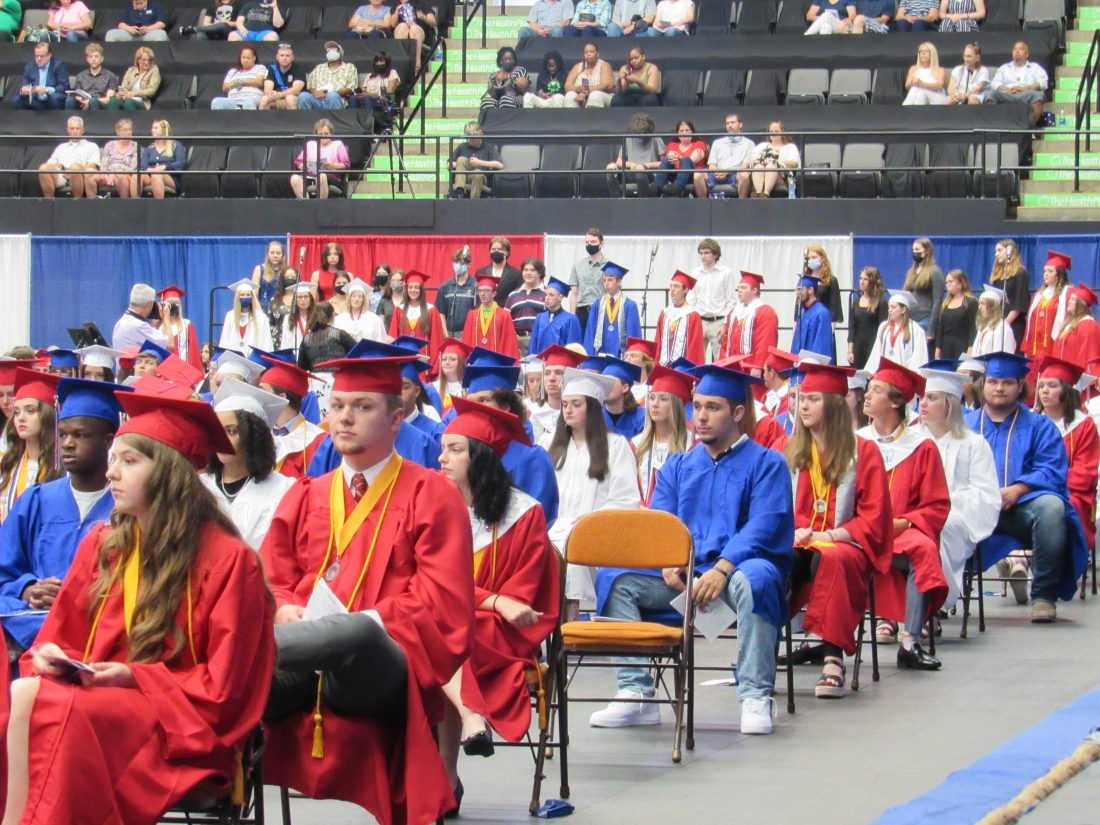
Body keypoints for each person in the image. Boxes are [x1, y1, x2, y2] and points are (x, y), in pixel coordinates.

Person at [3, 390, 274, 824]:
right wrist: (50, 657)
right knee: (24, 698)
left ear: (170, 475)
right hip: (97, 705)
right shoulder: (102, 546)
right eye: (113, 459)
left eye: (129, 462)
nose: (111, 473)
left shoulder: (228, 561)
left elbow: (226, 689)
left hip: (177, 728)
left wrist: (133, 677)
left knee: (61, 714)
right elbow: (58, 637)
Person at [259, 354, 472, 824]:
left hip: (380, 666)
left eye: (362, 406)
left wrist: (356, 624)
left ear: (396, 418)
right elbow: (273, 577)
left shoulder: (431, 496)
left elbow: (441, 601)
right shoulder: (306, 494)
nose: (345, 418)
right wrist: (285, 609)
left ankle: (236, 653)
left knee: (355, 634)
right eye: (336, 405)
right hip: (299, 667)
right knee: (253, 656)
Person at [591, 363, 792, 732]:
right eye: (697, 406)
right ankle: (636, 692)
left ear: (738, 412)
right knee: (616, 578)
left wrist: (723, 567)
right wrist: (669, 560)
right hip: (683, 575)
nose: (700, 416)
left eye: (713, 407)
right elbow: (662, 522)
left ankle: (754, 694)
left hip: (736, 575)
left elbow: (765, 525)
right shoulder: (679, 466)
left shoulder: (767, 464)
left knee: (759, 579)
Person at [435, 399, 560, 795]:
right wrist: (492, 599)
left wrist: (487, 605)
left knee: (441, 639)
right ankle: (458, 748)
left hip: (502, 634)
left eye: (455, 450)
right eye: (443, 447)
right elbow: (424, 583)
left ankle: (444, 779)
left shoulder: (524, 515)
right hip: (453, 620)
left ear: (482, 457)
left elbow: (521, 601)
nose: (442, 457)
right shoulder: (431, 507)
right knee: (432, 634)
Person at [785, 362, 891, 698]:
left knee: (833, 560)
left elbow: (873, 517)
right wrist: (795, 532)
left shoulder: (864, 452)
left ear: (832, 404)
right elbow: (776, 508)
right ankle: (758, 647)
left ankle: (833, 658)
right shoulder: (789, 452)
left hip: (844, 543)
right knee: (770, 564)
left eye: (813, 399)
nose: (803, 406)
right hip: (800, 541)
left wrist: (828, 536)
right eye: (802, 398)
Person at [0, 379, 122, 655]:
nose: (67, 443)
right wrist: (27, 588)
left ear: (108, 441)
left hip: (98, 645)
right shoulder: (37, 500)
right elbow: (5, 568)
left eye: (79, 435)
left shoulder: (124, 507)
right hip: (32, 641)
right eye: (63, 434)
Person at [966, 352, 1089, 621]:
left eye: (1008, 382)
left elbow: (1051, 469)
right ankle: (941, 593)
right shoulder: (966, 425)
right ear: (983, 384)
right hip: (973, 507)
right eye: (994, 381)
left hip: (1019, 508)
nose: (999, 388)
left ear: (1021, 386)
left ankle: (1044, 596)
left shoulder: (1039, 426)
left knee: (1053, 508)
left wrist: (1018, 489)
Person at [859, 359, 949, 669]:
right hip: (857, 533)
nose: (867, 396)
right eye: (868, 389)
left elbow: (936, 504)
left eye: (877, 390)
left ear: (896, 401)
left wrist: (903, 522)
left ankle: (910, 641)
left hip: (900, 534)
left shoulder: (921, 446)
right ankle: (827, 643)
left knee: (923, 550)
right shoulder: (856, 442)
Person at [539, 368, 639, 604]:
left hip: (594, 534)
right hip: (554, 532)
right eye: (565, 404)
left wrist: (591, 520)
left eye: (576, 404)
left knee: (576, 558)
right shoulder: (548, 445)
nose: (568, 410)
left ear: (592, 408)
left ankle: (576, 625)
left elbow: (625, 499)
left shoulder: (615, 446)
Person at [914, 365, 1000, 610]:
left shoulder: (973, 444)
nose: (923, 404)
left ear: (950, 404)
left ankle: (931, 604)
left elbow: (985, 494)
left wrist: (943, 504)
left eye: (932, 398)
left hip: (957, 516)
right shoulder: (913, 442)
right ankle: (908, 607)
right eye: (923, 398)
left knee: (938, 528)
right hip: (915, 514)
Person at [203, 378, 295, 549]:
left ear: (253, 436)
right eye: (217, 430)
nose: (221, 439)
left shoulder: (283, 489)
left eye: (231, 431)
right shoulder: (199, 486)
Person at [1034, 355, 1098, 554]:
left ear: (1067, 391)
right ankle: (1019, 558)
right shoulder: (1031, 422)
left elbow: (1085, 475)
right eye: (1042, 385)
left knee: (1060, 508)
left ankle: (1037, 564)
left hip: (1072, 494)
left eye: (1052, 385)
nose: (1044, 391)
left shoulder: (1083, 426)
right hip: (1032, 490)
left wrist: (1045, 482)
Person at [1, 370, 63, 524]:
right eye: (16, 412)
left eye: (30, 411)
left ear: (48, 415)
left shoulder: (63, 469)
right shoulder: (7, 463)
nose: (20, 418)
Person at [632, 364, 692, 503]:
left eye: (663, 399)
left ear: (677, 405)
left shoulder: (692, 445)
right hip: (641, 517)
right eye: (652, 398)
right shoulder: (636, 444)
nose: (655, 404)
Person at [686, 238, 735, 362]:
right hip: (700, 320)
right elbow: (692, 299)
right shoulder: (695, 273)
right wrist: (690, 320)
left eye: (707, 253)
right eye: (701, 253)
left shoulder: (726, 273)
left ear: (715, 254)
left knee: (720, 360)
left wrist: (725, 324)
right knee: (695, 358)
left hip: (718, 320)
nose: (703, 256)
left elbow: (731, 300)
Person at [1022, 250, 1071, 370]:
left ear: (1059, 274)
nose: (1045, 274)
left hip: (1052, 346)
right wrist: (1026, 347)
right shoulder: (1038, 295)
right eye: (1044, 271)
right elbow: (1029, 324)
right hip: (1034, 348)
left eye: (1050, 271)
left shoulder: (1066, 295)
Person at [583, 261, 642, 358]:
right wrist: (589, 358)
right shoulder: (597, 304)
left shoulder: (629, 305)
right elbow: (590, 333)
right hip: (600, 355)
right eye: (604, 280)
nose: (606, 284)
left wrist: (631, 358)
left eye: (610, 280)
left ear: (619, 282)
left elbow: (633, 335)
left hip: (621, 356)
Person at [721, 271, 778, 368]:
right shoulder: (734, 312)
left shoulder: (765, 312)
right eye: (738, 288)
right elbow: (725, 342)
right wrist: (722, 363)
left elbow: (765, 343)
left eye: (743, 287)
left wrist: (758, 366)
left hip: (750, 368)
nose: (739, 290)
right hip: (731, 367)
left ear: (754, 290)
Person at [864, 290, 930, 374]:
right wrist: (871, 371)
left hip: (904, 376)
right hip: (886, 375)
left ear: (903, 310)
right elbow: (876, 352)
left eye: (893, 307)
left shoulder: (915, 329)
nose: (889, 310)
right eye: (889, 307)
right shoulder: (884, 327)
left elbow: (919, 355)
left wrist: (912, 375)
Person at [36, 116, 100, 200]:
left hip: (80, 174)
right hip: (62, 175)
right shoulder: (61, 147)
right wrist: (58, 166)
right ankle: (49, 203)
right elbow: (51, 163)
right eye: (72, 128)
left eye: (77, 128)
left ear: (83, 130)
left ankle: (77, 202)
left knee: (75, 168)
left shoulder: (91, 146)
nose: (75, 131)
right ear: (68, 130)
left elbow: (94, 165)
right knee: (43, 168)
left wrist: (74, 170)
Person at [694, 112, 754, 199]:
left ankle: (742, 205)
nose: (730, 125)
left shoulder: (749, 143)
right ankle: (703, 205)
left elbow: (744, 166)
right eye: (727, 123)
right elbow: (712, 165)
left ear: (740, 124)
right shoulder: (717, 142)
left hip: (735, 174)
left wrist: (727, 171)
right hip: (716, 174)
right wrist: (718, 172)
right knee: (697, 174)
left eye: (733, 122)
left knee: (744, 175)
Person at [605, 111, 664, 197]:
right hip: (631, 173)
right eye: (637, 134)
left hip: (649, 174)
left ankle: (644, 200)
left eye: (642, 134)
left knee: (639, 171)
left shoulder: (656, 139)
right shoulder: (629, 139)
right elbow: (619, 161)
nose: (639, 137)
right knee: (611, 168)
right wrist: (632, 164)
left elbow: (664, 162)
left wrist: (646, 165)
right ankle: (616, 199)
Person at [389, 270, 445, 360]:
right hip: (404, 359)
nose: (413, 290)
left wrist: (434, 365)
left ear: (421, 290)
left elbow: (436, 340)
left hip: (425, 360)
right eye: (410, 287)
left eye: (416, 287)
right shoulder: (399, 310)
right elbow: (393, 336)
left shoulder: (431, 310)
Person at [991, 40, 1048, 126]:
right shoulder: (1004, 68)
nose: (1017, 51)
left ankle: (1029, 128)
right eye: (1014, 49)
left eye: (1021, 49)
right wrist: (1007, 89)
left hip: (1026, 94)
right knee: (990, 95)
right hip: (1008, 94)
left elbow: (1043, 83)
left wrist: (1025, 88)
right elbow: (994, 83)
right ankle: (995, 126)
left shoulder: (1035, 67)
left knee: (1039, 96)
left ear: (1027, 54)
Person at [462, 274, 520, 359]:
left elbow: (508, 343)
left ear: (494, 294)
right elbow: (467, 341)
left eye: (486, 291)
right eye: (480, 291)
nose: (482, 294)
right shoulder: (472, 314)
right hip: (476, 363)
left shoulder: (504, 315)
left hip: (496, 363)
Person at [290, 118, 350, 199]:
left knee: (321, 176)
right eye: (320, 134)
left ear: (331, 133)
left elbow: (346, 164)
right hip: (310, 175)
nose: (323, 136)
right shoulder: (310, 144)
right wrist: (303, 166)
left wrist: (331, 165)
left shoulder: (338, 144)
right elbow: (298, 162)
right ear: (316, 134)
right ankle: (306, 205)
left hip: (330, 176)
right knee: (294, 178)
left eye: (326, 133)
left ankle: (320, 206)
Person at [655, 270, 704, 366]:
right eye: (671, 286)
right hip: (663, 365)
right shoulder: (664, 314)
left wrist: (689, 369)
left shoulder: (692, 315)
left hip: (682, 368)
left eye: (676, 286)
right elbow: (658, 341)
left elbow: (694, 347)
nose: (672, 289)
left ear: (685, 290)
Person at [989, 238, 1029, 350]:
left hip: (1013, 323)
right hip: (998, 322)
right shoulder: (998, 274)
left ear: (1009, 251)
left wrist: (1005, 323)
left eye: (999, 250)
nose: (996, 254)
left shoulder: (1020, 272)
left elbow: (1020, 302)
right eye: (995, 251)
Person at [904, 237, 944, 343]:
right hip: (910, 319)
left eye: (917, 250)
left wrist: (931, 330)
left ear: (927, 251)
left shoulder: (935, 272)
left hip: (925, 319)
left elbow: (937, 302)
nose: (914, 252)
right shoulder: (910, 271)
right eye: (913, 250)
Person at [111, 283, 169, 357]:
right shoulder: (138, 325)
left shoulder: (122, 321)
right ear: (149, 304)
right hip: (133, 367)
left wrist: (155, 326)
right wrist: (166, 317)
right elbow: (169, 345)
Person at [449, 121, 503, 199]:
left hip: (482, 177)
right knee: (461, 159)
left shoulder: (489, 148)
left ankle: (473, 202)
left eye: (473, 138)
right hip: (463, 176)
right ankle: (459, 192)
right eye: (468, 138)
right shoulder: (462, 147)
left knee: (477, 173)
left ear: (480, 135)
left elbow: (499, 165)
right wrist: (466, 163)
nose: (470, 141)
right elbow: (448, 164)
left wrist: (479, 163)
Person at [746, 121, 801, 198]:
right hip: (760, 173)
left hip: (781, 176)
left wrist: (775, 162)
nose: (773, 133)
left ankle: (765, 194)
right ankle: (758, 194)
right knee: (758, 165)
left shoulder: (790, 147)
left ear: (783, 132)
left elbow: (794, 163)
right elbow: (751, 161)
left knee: (771, 165)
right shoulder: (762, 145)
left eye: (776, 131)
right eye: (771, 131)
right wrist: (762, 161)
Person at [1052, 282, 1100, 369]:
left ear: (1081, 304)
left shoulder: (1088, 325)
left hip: (1076, 377)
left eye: (1073, 299)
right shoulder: (1068, 324)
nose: (1069, 302)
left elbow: (1089, 356)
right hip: (1063, 374)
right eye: (1069, 299)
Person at [529, 275, 583, 354]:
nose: (547, 298)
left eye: (551, 295)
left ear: (560, 297)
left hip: (560, 364)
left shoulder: (570, 319)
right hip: (540, 362)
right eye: (546, 294)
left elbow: (573, 348)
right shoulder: (540, 318)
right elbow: (533, 345)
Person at [504, 259, 547, 357]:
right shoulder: (512, 295)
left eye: (532, 270)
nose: (528, 273)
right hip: (517, 341)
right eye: (525, 270)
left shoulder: (547, 293)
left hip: (539, 341)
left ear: (540, 273)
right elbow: (506, 320)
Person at [297, 302, 357, 371]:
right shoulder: (339, 334)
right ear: (332, 316)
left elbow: (301, 367)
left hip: (317, 379)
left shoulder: (306, 339)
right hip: (338, 379)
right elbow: (358, 352)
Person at [653, 120, 707, 197]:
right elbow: (669, 160)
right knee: (666, 159)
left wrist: (679, 158)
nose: (684, 133)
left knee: (686, 160)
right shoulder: (672, 145)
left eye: (687, 130)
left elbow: (692, 160)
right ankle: (656, 187)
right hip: (675, 174)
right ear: (678, 133)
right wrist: (671, 157)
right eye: (681, 131)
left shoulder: (699, 144)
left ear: (692, 132)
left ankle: (677, 188)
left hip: (691, 175)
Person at [219, 278, 274, 354]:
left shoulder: (261, 318)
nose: (245, 297)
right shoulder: (230, 316)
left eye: (248, 295)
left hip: (253, 360)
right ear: (238, 297)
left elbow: (266, 343)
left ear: (252, 297)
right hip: (234, 360)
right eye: (242, 295)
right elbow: (225, 340)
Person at [847, 266, 887, 369]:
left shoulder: (881, 302)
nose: (862, 282)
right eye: (860, 278)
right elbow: (851, 328)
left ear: (872, 281)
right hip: (858, 346)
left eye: (865, 279)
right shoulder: (856, 303)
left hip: (873, 345)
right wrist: (850, 350)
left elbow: (883, 327)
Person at [568, 229, 608, 331]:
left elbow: (612, 291)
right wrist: (572, 316)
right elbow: (573, 294)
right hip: (581, 310)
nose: (589, 245)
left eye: (593, 242)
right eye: (587, 242)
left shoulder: (609, 266)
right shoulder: (578, 266)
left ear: (601, 244)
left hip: (601, 309)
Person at [791, 274, 836, 364]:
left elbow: (821, 347)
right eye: (797, 289)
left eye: (800, 289)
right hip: (800, 365)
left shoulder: (822, 313)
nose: (797, 292)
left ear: (811, 290)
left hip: (813, 368)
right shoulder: (803, 312)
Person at [934, 270, 978, 360]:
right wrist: (937, 349)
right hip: (946, 346)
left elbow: (972, 328)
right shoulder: (945, 304)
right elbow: (940, 328)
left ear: (960, 282)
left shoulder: (970, 302)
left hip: (962, 344)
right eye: (946, 282)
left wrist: (970, 348)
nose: (948, 284)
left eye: (951, 282)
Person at [299, 41, 357, 109]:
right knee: (303, 96)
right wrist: (316, 93)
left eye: (334, 50)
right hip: (318, 100)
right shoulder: (319, 67)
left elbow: (350, 89)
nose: (331, 52)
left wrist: (329, 93)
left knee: (332, 95)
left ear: (340, 52)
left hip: (336, 99)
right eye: (329, 50)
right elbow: (312, 86)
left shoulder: (349, 67)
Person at [157, 284, 202, 371]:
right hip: (166, 370)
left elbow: (193, 352)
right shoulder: (160, 327)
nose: (174, 305)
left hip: (184, 369)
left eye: (177, 302)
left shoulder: (187, 325)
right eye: (170, 302)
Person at [13, 42, 68, 111]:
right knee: (17, 100)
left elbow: (64, 86)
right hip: (35, 99)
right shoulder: (29, 67)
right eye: (36, 56)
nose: (39, 59)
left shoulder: (58, 65)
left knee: (56, 97)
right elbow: (24, 83)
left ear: (49, 55)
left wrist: (47, 90)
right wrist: (23, 90)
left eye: (42, 56)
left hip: (50, 99)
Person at [210, 45, 268, 110]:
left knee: (248, 101)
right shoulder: (233, 71)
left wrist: (241, 81)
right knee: (216, 102)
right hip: (233, 101)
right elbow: (224, 87)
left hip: (252, 98)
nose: (245, 60)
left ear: (254, 58)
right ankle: (237, 109)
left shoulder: (260, 68)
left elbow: (258, 82)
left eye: (248, 58)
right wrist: (234, 83)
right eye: (243, 57)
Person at [139, 118, 185, 198]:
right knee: (136, 176)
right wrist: (151, 169)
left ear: (164, 130)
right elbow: (143, 166)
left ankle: (159, 207)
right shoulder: (149, 148)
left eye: (156, 128)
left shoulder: (176, 145)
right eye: (152, 128)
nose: (152, 130)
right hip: (150, 174)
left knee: (156, 174)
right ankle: (133, 204)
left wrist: (164, 167)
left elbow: (180, 163)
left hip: (170, 177)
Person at [65, 43, 119, 111]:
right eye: (90, 56)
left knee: (93, 102)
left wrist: (90, 101)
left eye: (96, 56)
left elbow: (109, 99)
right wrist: (85, 101)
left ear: (101, 58)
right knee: (69, 100)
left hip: (101, 104)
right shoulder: (81, 76)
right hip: (83, 103)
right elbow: (78, 95)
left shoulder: (110, 75)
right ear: (87, 59)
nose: (93, 59)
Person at [439, 246, 479, 334]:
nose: (458, 265)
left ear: (469, 264)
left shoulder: (476, 286)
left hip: (468, 333)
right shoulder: (445, 287)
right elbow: (441, 313)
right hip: (449, 333)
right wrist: (446, 335)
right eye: (456, 262)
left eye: (462, 262)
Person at [105, 46, 160, 110]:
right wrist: (122, 93)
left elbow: (152, 91)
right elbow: (124, 86)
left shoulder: (154, 70)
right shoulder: (131, 71)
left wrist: (134, 93)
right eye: (144, 60)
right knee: (114, 101)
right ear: (138, 60)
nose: (147, 62)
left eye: (149, 60)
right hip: (126, 97)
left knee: (128, 102)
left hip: (142, 101)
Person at [480, 46, 529, 117]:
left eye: (511, 59)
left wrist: (510, 79)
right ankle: (491, 125)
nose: (508, 61)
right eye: (506, 59)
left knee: (505, 99)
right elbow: (489, 92)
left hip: (516, 97)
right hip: (496, 98)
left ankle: (507, 125)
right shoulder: (494, 75)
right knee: (486, 101)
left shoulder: (520, 70)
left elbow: (524, 87)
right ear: (501, 61)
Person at [563, 42, 615, 108]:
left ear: (598, 54)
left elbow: (607, 85)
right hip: (580, 96)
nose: (588, 54)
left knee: (594, 95)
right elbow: (567, 86)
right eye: (586, 52)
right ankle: (572, 117)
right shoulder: (577, 66)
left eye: (591, 52)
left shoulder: (604, 65)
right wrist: (578, 89)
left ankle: (594, 118)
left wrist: (585, 92)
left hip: (602, 96)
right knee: (570, 95)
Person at [335, 277, 388, 342]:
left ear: (363, 300)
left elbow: (381, 341)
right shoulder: (339, 320)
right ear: (349, 298)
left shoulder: (374, 320)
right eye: (353, 296)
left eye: (360, 296)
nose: (356, 299)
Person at [970, 283, 1017, 356]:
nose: (979, 307)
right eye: (979, 304)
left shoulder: (1003, 328)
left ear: (992, 306)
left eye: (982, 303)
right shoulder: (982, 327)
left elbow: (1004, 357)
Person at [474, 236, 524, 303]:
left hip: (506, 312)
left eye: (500, 249)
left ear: (507, 252)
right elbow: (478, 297)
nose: (496, 252)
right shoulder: (481, 272)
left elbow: (518, 297)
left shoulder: (516, 274)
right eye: (493, 249)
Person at [391, 0, 436, 73]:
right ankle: (401, 63)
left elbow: (433, 21)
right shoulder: (396, 5)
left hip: (420, 33)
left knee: (414, 28)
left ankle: (416, 64)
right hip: (402, 32)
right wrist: (396, 11)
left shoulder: (421, 3)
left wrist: (423, 17)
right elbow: (393, 24)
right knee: (402, 26)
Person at [261, 42, 305, 109]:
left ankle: (293, 119)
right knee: (265, 98)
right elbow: (267, 88)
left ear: (292, 57)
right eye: (282, 55)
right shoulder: (272, 68)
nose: (284, 58)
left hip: (294, 98)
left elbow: (296, 90)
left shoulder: (299, 69)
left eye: (287, 56)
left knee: (289, 98)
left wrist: (280, 94)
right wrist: (271, 95)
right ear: (277, 57)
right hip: (276, 98)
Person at [105, 0, 169, 42]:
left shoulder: (155, 7)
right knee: (110, 34)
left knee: (161, 34)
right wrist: (129, 29)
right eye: (136, 4)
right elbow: (120, 24)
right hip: (131, 35)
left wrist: (148, 29)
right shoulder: (128, 9)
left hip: (148, 34)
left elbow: (162, 23)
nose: (139, 5)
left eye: (141, 3)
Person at [280, 282, 315, 354]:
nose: (303, 300)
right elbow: (285, 341)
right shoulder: (288, 318)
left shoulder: (316, 316)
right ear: (295, 300)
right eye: (300, 297)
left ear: (310, 299)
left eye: (306, 296)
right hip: (295, 357)